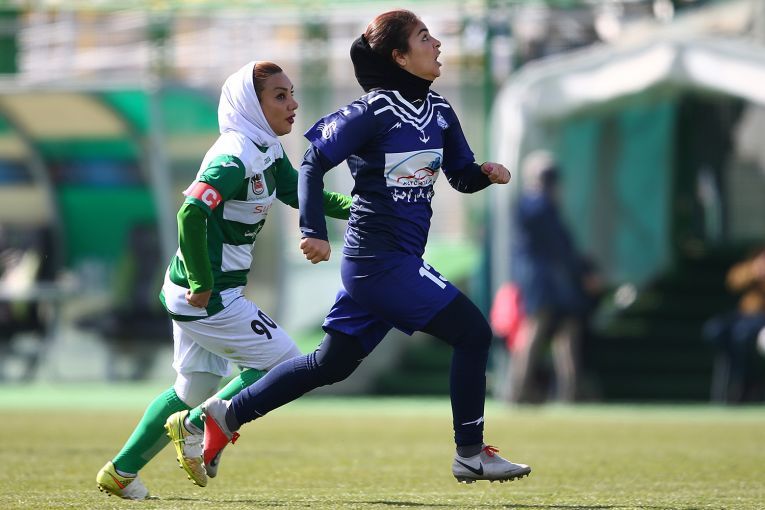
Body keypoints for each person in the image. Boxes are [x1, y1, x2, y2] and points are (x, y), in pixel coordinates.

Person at [177, 9, 532, 485]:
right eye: (425, 37)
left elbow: (460, 177)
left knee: (331, 363)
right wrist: (312, 229)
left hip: (397, 261)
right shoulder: (373, 111)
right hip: (376, 261)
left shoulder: (441, 111)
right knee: (473, 333)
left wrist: (485, 174)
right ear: (400, 56)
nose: (437, 44)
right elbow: (312, 162)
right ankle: (470, 453)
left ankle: (224, 415)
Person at [95, 61, 352, 499]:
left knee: (192, 388)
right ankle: (198, 425)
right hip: (208, 297)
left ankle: (120, 472)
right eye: (280, 96)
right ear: (251, 104)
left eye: (291, 93)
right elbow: (191, 213)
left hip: (200, 292)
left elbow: (299, 191)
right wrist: (202, 282)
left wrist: (360, 209)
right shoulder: (234, 156)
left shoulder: (265, 148)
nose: (293, 104)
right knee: (285, 364)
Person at [508, 151, 601, 404]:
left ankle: (569, 390)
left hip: (554, 280)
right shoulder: (536, 205)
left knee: (566, 330)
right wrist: (583, 273)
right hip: (544, 280)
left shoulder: (538, 205)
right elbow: (560, 246)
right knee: (537, 328)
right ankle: (519, 389)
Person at [702, 246, 765, 403]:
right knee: (715, 330)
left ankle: (744, 382)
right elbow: (734, 282)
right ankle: (733, 382)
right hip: (744, 317)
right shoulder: (750, 268)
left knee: (742, 335)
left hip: (760, 322)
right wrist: (754, 271)